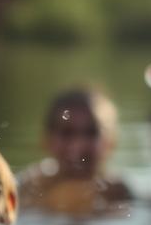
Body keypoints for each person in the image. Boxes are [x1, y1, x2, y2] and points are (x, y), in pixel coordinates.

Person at [17, 87, 132, 215]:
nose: (78, 146)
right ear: (46, 140)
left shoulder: (120, 194)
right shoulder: (28, 188)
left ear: (111, 142)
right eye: (67, 132)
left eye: (91, 132)